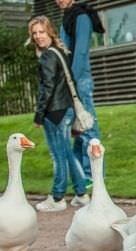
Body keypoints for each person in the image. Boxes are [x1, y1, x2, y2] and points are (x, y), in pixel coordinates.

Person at [29, 15, 89, 212]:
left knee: (58, 156)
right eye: (34, 33)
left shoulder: (47, 56)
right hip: (67, 109)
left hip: (55, 112)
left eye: (41, 32)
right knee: (67, 154)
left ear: (50, 32)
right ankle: (81, 194)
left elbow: (47, 88)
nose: (38, 36)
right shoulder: (60, 52)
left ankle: (57, 198)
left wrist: (39, 115)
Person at [56, 0, 105, 183]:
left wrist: (73, 81)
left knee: (88, 126)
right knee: (77, 130)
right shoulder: (67, 17)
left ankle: (93, 175)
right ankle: (79, 175)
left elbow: (81, 52)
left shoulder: (81, 17)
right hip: (69, 79)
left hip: (79, 80)